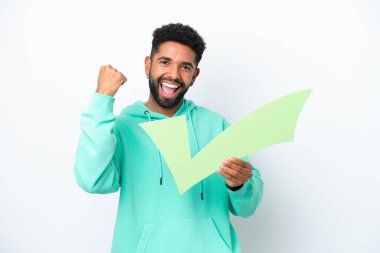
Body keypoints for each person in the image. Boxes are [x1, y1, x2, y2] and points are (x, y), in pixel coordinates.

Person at [73, 23, 263, 253]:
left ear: (195, 75)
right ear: (148, 65)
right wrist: (102, 98)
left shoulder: (216, 125)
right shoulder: (124, 127)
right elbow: (91, 180)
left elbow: (247, 207)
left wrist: (239, 185)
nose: (174, 74)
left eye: (185, 67)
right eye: (165, 62)